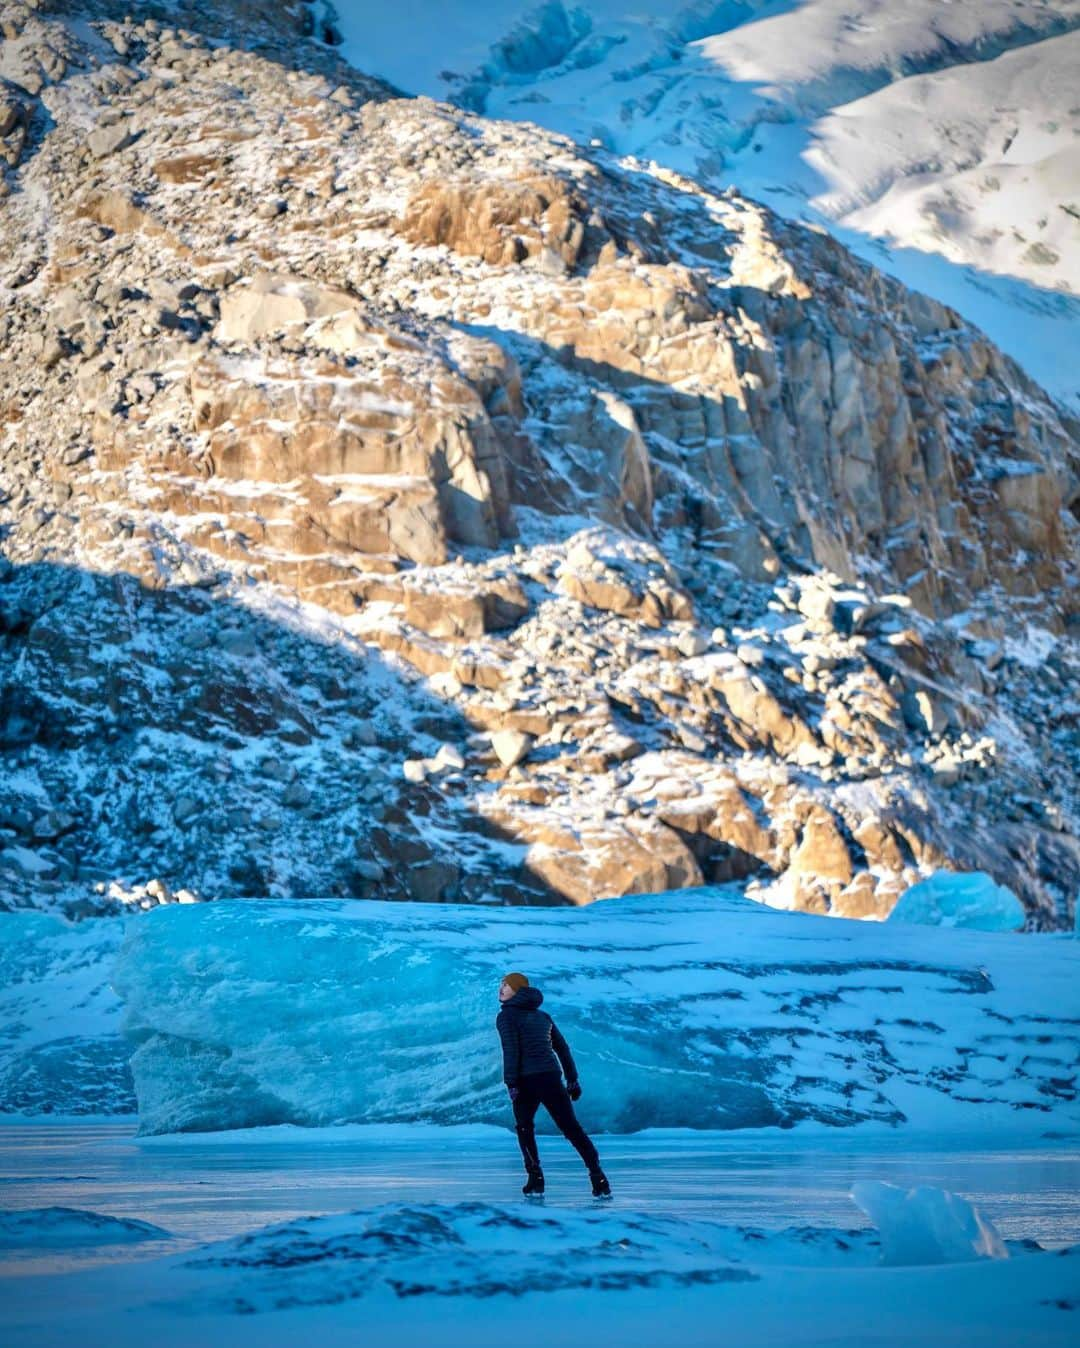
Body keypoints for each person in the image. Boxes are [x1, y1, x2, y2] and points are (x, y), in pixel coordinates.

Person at [496, 971, 611, 1199]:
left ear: (517, 990)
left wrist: (511, 1083)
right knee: (571, 1128)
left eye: (506, 985)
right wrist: (572, 1079)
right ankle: (599, 1178)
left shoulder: (506, 1017)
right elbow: (562, 1048)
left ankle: (535, 1179)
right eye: (501, 984)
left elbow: (511, 1051)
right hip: (550, 1076)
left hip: (526, 1080)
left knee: (525, 1128)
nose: (501, 988)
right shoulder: (543, 1016)